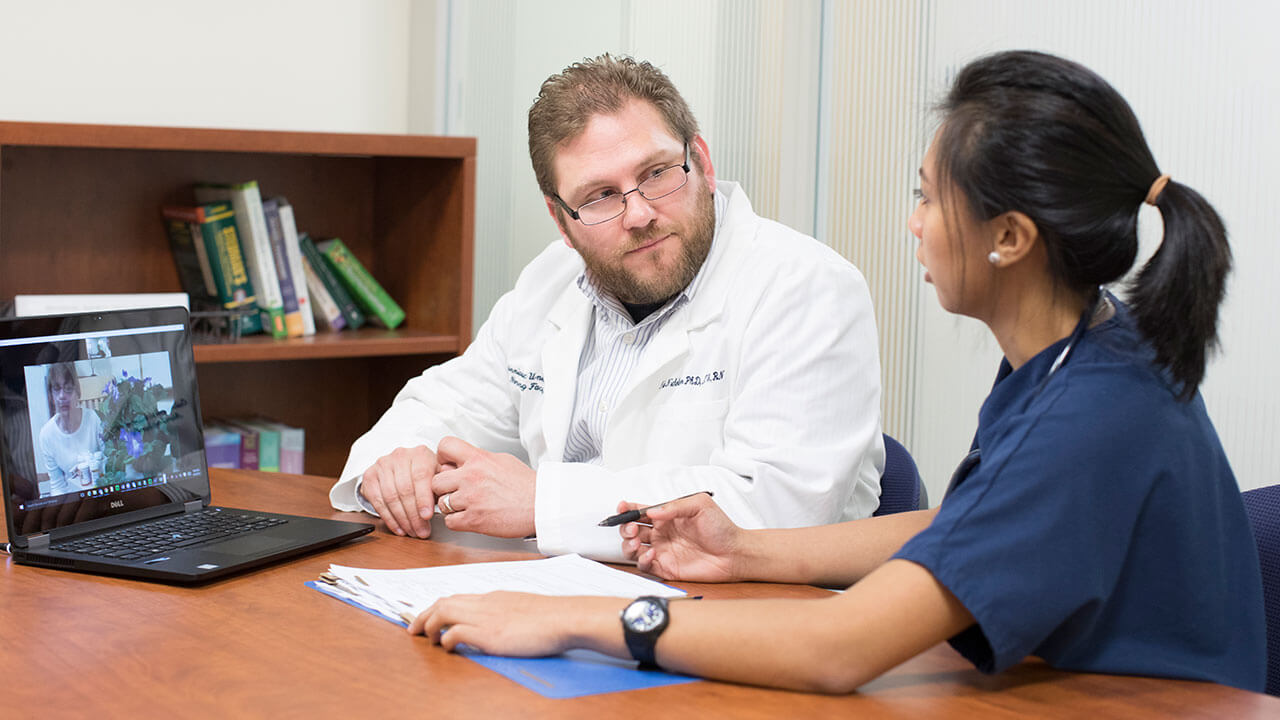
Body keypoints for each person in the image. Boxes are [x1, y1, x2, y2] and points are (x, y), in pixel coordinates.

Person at [405, 50, 1267, 693]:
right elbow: (965, 524)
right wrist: (746, 551)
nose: (913, 224)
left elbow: (837, 649)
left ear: (1009, 238)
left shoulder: (1089, 415)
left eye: (929, 198)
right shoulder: (1080, 357)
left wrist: (570, 619)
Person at [329, 54, 885, 560]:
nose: (639, 213)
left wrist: (541, 502)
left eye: (657, 173)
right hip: (561, 598)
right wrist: (398, 461)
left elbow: (776, 511)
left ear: (702, 162)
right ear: (560, 219)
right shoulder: (552, 278)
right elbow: (442, 406)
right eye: (600, 196)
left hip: (745, 616)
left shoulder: (807, 288)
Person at [38, 362, 104, 497]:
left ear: (77, 392)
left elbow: (110, 468)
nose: (62, 396)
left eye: (68, 389)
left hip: (102, 493)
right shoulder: (46, 435)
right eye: (56, 389)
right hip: (73, 500)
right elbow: (57, 486)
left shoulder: (95, 419)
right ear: (50, 396)